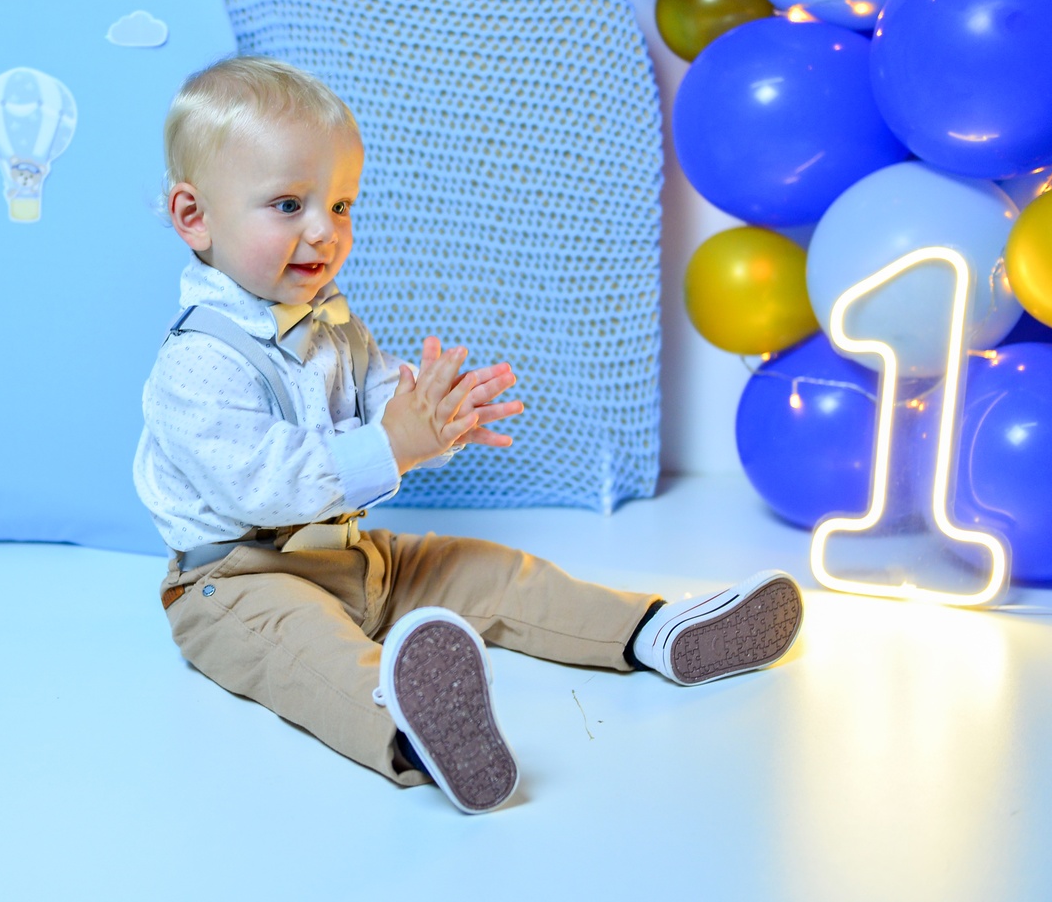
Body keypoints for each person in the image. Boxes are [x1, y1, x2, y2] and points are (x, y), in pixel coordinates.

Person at [133, 55, 803, 814]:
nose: (325, 230)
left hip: (350, 556)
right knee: (309, 654)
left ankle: (652, 631)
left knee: (487, 570)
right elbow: (262, 486)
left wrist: (434, 414)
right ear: (195, 216)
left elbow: (381, 394)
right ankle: (416, 733)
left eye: (342, 204)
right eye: (289, 204)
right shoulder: (197, 361)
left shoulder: (328, 321)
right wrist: (394, 443)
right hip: (237, 581)